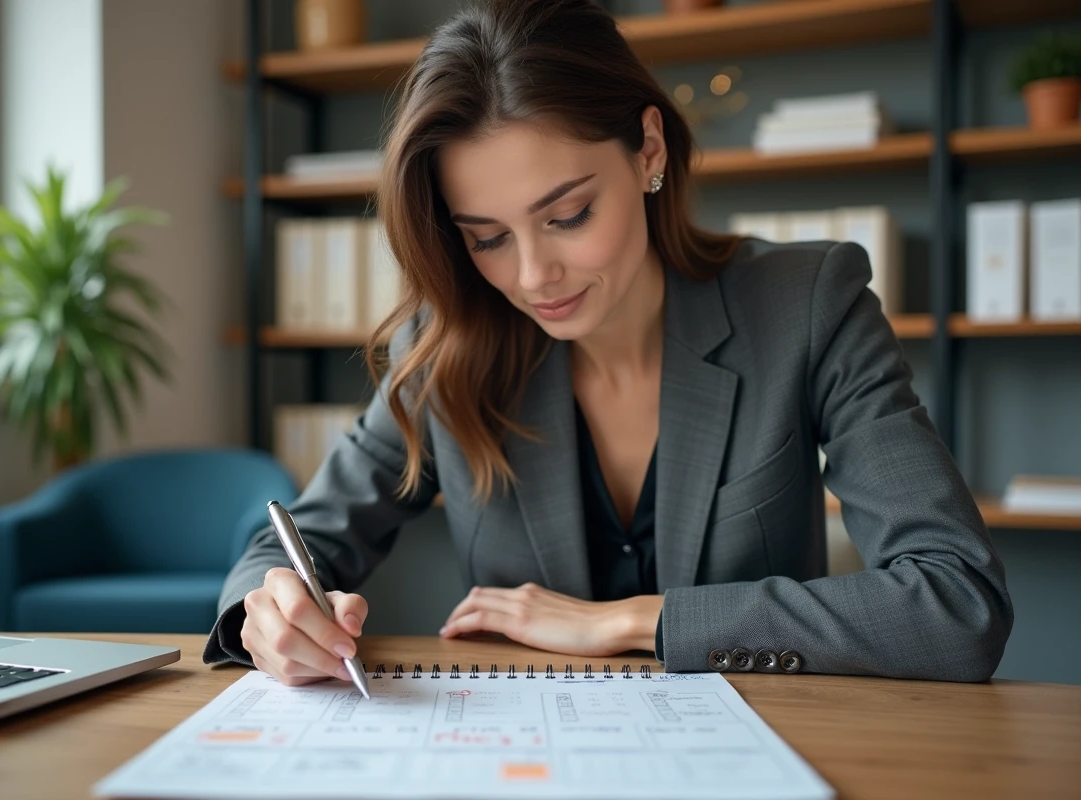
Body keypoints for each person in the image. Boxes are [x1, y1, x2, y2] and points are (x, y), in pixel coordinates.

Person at [204, 0, 1012, 685]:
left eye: (568, 216)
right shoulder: (449, 345)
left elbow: (958, 602)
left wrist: (635, 621)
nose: (532, 276)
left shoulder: (806, 306)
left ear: (648, 149)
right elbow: (294, 543)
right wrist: (267, 615)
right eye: (487, 238)